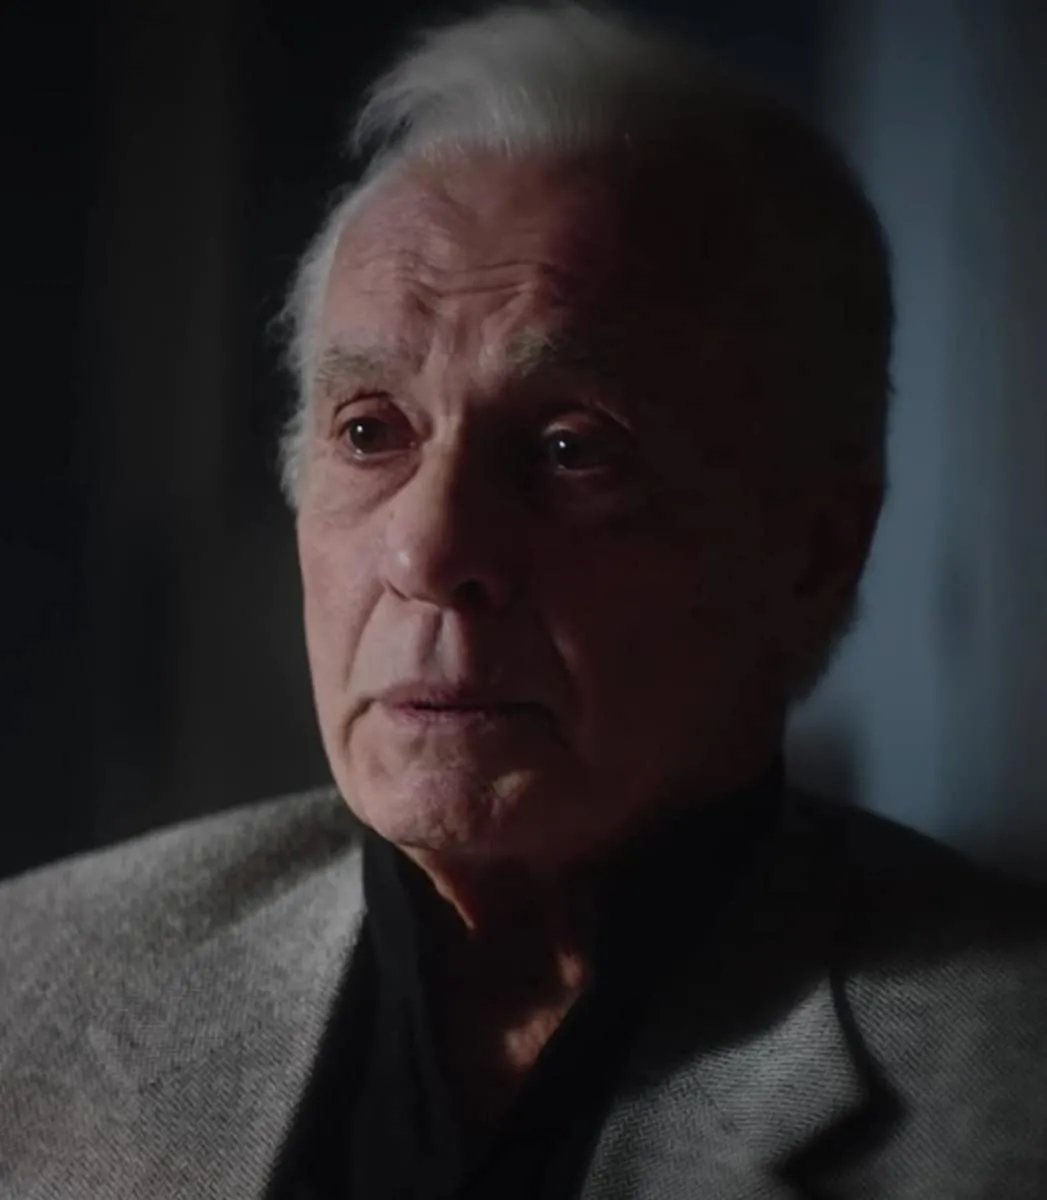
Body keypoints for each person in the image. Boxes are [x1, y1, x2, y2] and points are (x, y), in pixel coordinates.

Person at [3, 4, 1046, 1197]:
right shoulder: (31, 989)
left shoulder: (1007, 1087)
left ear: (813, 548)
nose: (429, 547)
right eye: (369, 431)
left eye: (569, 450)